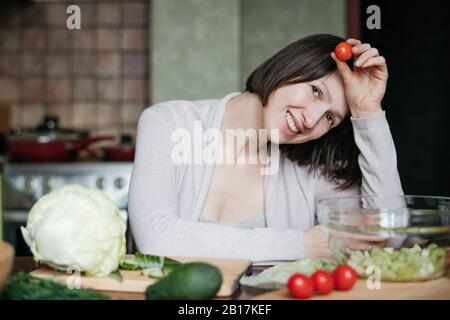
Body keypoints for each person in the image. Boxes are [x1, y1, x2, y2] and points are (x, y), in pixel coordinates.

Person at [128, 34, 403, 263]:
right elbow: (155, 238)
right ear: (291, 66)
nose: (312, 119)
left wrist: (368, 113)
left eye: (330, 118)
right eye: (316, 91)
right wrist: (301, 244)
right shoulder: (167, 122)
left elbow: (387, 234)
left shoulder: (308, 168)